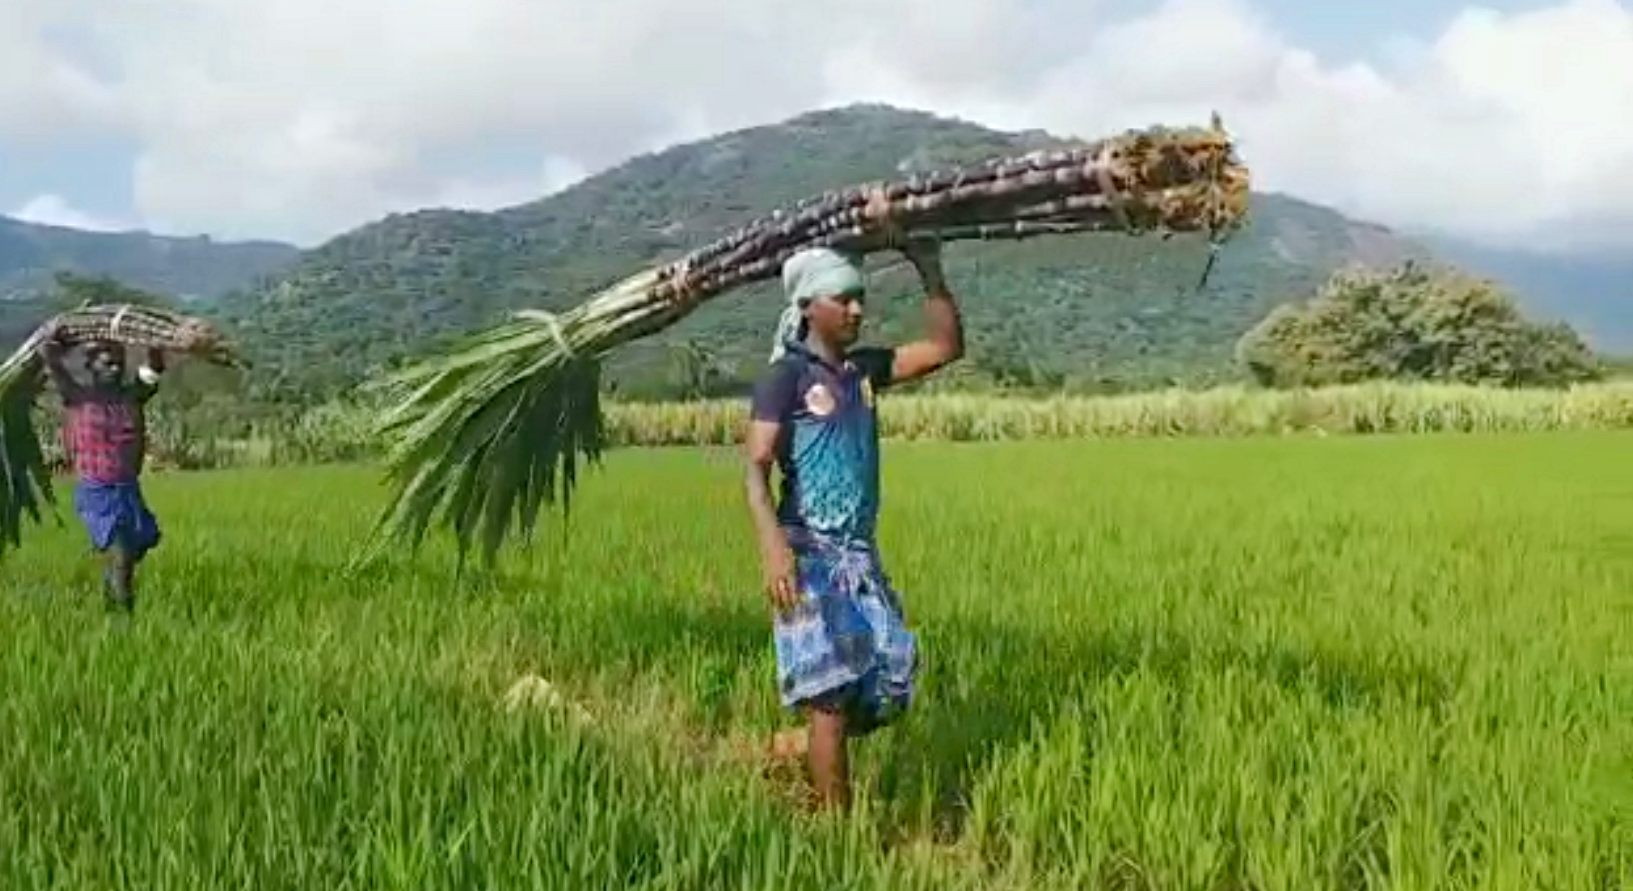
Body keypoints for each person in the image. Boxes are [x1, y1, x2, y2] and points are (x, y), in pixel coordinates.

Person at [742, 239, 964, 811]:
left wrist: (927, 262)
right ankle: (835, 834)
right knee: (829, 695)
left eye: (860, 299)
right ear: (810, 306)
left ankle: (801, 747)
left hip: (858, 556)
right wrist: (773, 549)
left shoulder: (863, 372)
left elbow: (945, 346)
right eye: (844, 299)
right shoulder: (785, 377)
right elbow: (755, 469)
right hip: (807, 550)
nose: (857, 310)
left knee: (892, 678)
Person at [36, 322, 166, 615]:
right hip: (97, 490)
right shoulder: (78, 396)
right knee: (121, 554)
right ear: (92, 366)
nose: (115, 368)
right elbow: (50, 357)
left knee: (131, 553)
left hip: (127, 488)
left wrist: (154, 342)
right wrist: (54, 340)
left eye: (119, 363)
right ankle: (124, 625)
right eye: (107, 363)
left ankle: (110, 604)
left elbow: (153, 369)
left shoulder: (132, 395)